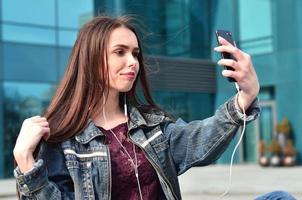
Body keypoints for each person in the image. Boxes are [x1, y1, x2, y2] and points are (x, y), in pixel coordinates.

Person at [13, 15, 295, 200]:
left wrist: (246, 95)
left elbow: (199, 138)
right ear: (90, 59)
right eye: (120, 52)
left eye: (135, 53)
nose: (133, 62)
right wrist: (26, 162)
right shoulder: (62, 139)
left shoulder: (150, 125)